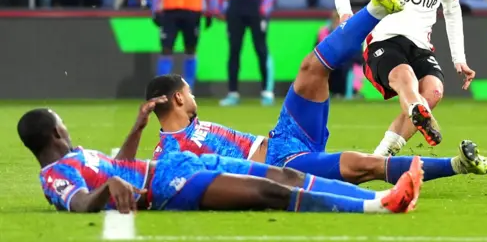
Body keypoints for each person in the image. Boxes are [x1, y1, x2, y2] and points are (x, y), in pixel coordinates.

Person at [139, 0, 487, 186]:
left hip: (284, 135)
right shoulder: (164, 154)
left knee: (311, 68)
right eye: (190, 91)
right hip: (283, 167)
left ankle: (378, 7)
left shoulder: (193, 128)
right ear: (178, 99)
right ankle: (457, 165)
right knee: (360, 165)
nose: (195, 97)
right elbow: (140, 177)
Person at [17, 102, 423, 214]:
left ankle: (383, 196)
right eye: (63, 125)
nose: (68, 129)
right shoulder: (54, 176)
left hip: (176, 166)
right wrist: (107, 188)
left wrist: (138, 128)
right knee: (267, 192)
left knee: (284, 174)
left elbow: (120, 167)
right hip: (167, 188)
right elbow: (81, 204)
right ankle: (380, 207)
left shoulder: (81, 155)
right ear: (56, 133)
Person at [331, 0, 476, 157]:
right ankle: (418, 111)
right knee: (406, 76)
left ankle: (381, 156)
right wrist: (345, 14)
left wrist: (459, 58)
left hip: (419, 45)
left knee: (433, 91)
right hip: (383, 41)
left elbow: (452, 12)